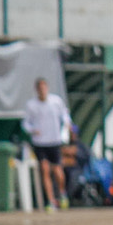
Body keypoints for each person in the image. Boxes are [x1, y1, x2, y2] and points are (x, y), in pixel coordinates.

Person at [22, 77, 73, 211]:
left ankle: (62, 193)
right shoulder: (31, 105)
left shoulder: (56, 102)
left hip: (54, 141)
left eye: (44, 88)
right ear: (37, 90)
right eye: (40, 88)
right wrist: (32, 130)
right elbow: (25, 123)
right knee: (44, 170)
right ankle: (50, 201)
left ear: (47, 89)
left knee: (57, 170)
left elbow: (65, 115)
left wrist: (67, 125)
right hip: (40, 142)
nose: (42, 91)